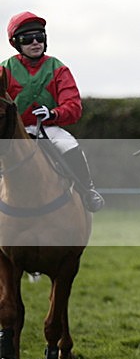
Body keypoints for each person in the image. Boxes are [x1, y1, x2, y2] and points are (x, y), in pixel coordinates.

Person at [0, 11, 104, 212]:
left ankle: (88, 191)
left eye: (40, 37)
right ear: (16, 43)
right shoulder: (5, 70)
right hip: (13, 131)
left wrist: (53, 114)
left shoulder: (58, 68)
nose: (35, 42)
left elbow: (73, 106)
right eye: (27, 39)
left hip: (48, 128)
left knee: (70, 145)